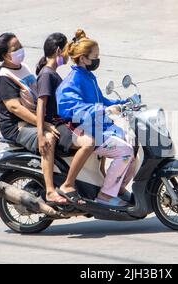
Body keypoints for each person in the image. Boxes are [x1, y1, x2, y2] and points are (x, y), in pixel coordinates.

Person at [56, 29, 135, 207]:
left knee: (135, 143)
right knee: (125, 151)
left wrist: (123, 102)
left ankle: (118, 188)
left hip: (101, 126)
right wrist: (103, 109)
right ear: (83, 58)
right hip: (87, 129)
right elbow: (73, 108)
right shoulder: (72, 82)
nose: (97, 60)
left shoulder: (88, 76)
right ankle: (106, 196)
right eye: (95, 56)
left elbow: (102, 100)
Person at [0, 33, 63, 204]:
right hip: (17, 126)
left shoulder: (24, 67)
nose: (20, 50)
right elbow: (15, 108)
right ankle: (51, 190)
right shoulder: (4, 76)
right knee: (49, 139)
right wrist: (43, 125)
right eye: (15, 49)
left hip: (34, 120)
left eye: (20, 45)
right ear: (5, 55)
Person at [35, 33, 95, 203]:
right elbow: (41, 104)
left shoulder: (52, 73)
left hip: (64, 122)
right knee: (89, 142)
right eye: (67, 50)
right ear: (59, 50)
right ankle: (63, 186)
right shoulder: (47, 74)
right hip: (57, 124)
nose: (69, 54)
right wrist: (41, 133)